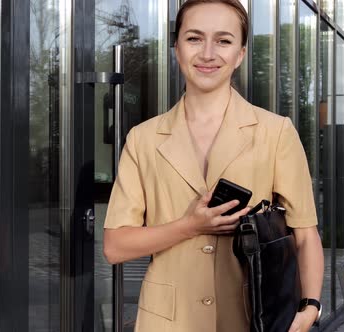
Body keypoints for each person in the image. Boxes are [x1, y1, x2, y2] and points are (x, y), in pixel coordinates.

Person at [103, 1, 324, 331]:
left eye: (223, 40)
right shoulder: (143, 139)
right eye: (194, 38)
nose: (208, 53)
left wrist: (309, 310)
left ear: (240, 54)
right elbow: (115, 246)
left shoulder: (276, 132)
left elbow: (305, 234)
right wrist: (189, 226)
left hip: (251, 317)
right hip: (166, 322)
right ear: (176, 48)